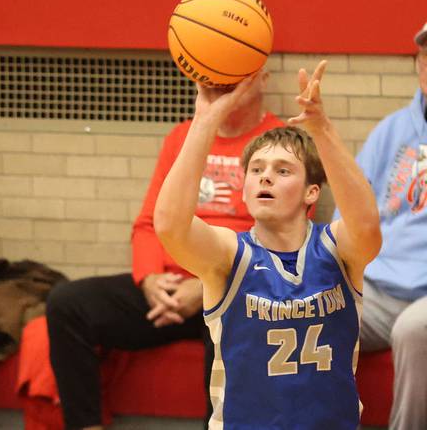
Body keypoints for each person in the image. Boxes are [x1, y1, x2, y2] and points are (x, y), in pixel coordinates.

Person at [46, 70, 283, 430]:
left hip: (233, 289)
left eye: (236, 76)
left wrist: (207, 287)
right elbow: (148, 223)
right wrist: (149, 279)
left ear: (262, 79)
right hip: (169, 288)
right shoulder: (181, 138)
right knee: (67, 304)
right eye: (216, 77)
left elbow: (282, 239)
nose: (223, 85)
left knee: (233, 321)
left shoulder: (281, 143)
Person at [154, 62, 381, 429]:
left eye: (283, 170)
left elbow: (368, 225)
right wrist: (205, 121)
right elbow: (168, 225)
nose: (266, 177)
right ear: (244, 190)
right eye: (256, 169)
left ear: (312, 192)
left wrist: (321, 130)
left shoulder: (337, 248)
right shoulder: (229, 256)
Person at [333, 23, 427, 430]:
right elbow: (349, 214)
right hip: (378, 289)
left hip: (424, 304)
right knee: (314, 312)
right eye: (426, 58)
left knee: (413, 330)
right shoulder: (392, 130)